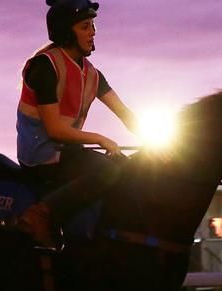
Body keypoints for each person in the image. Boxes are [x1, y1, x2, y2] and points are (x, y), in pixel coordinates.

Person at [13, 0, 140, 250]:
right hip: (41, 155)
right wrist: (101, 139)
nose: (93, 32)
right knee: (107, 171)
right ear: (66, 32)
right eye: (85, 26)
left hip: (67, 151)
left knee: (128, 167)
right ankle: (40, 215)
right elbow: (55, 130)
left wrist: (164, 142)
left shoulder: (92, 73)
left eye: (93, 25)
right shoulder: (44, 67)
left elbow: (126, 115)